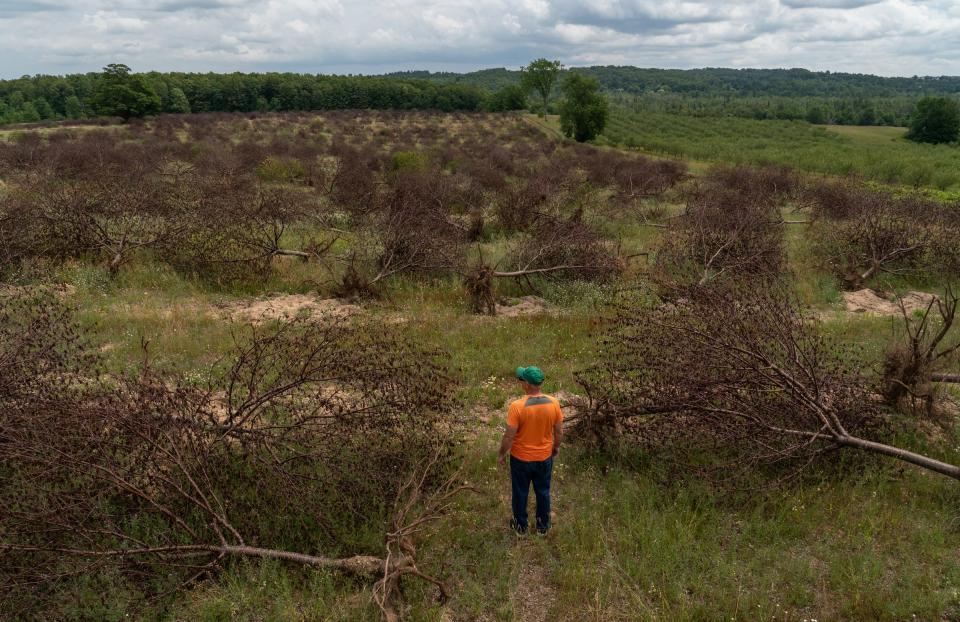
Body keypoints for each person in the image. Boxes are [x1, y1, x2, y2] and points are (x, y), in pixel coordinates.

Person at [497, 365, 563, 535]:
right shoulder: (554, 403)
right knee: (543, 492)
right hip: (544, 458)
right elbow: (559, 431)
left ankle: (521, 527)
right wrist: (555, 447)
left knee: (520, 493)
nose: (520, 382)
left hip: (521, 460)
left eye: (521, 380)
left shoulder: (517, 406)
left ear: (527, 384)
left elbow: (509, 436)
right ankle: (543, 527)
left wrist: (502, 453)